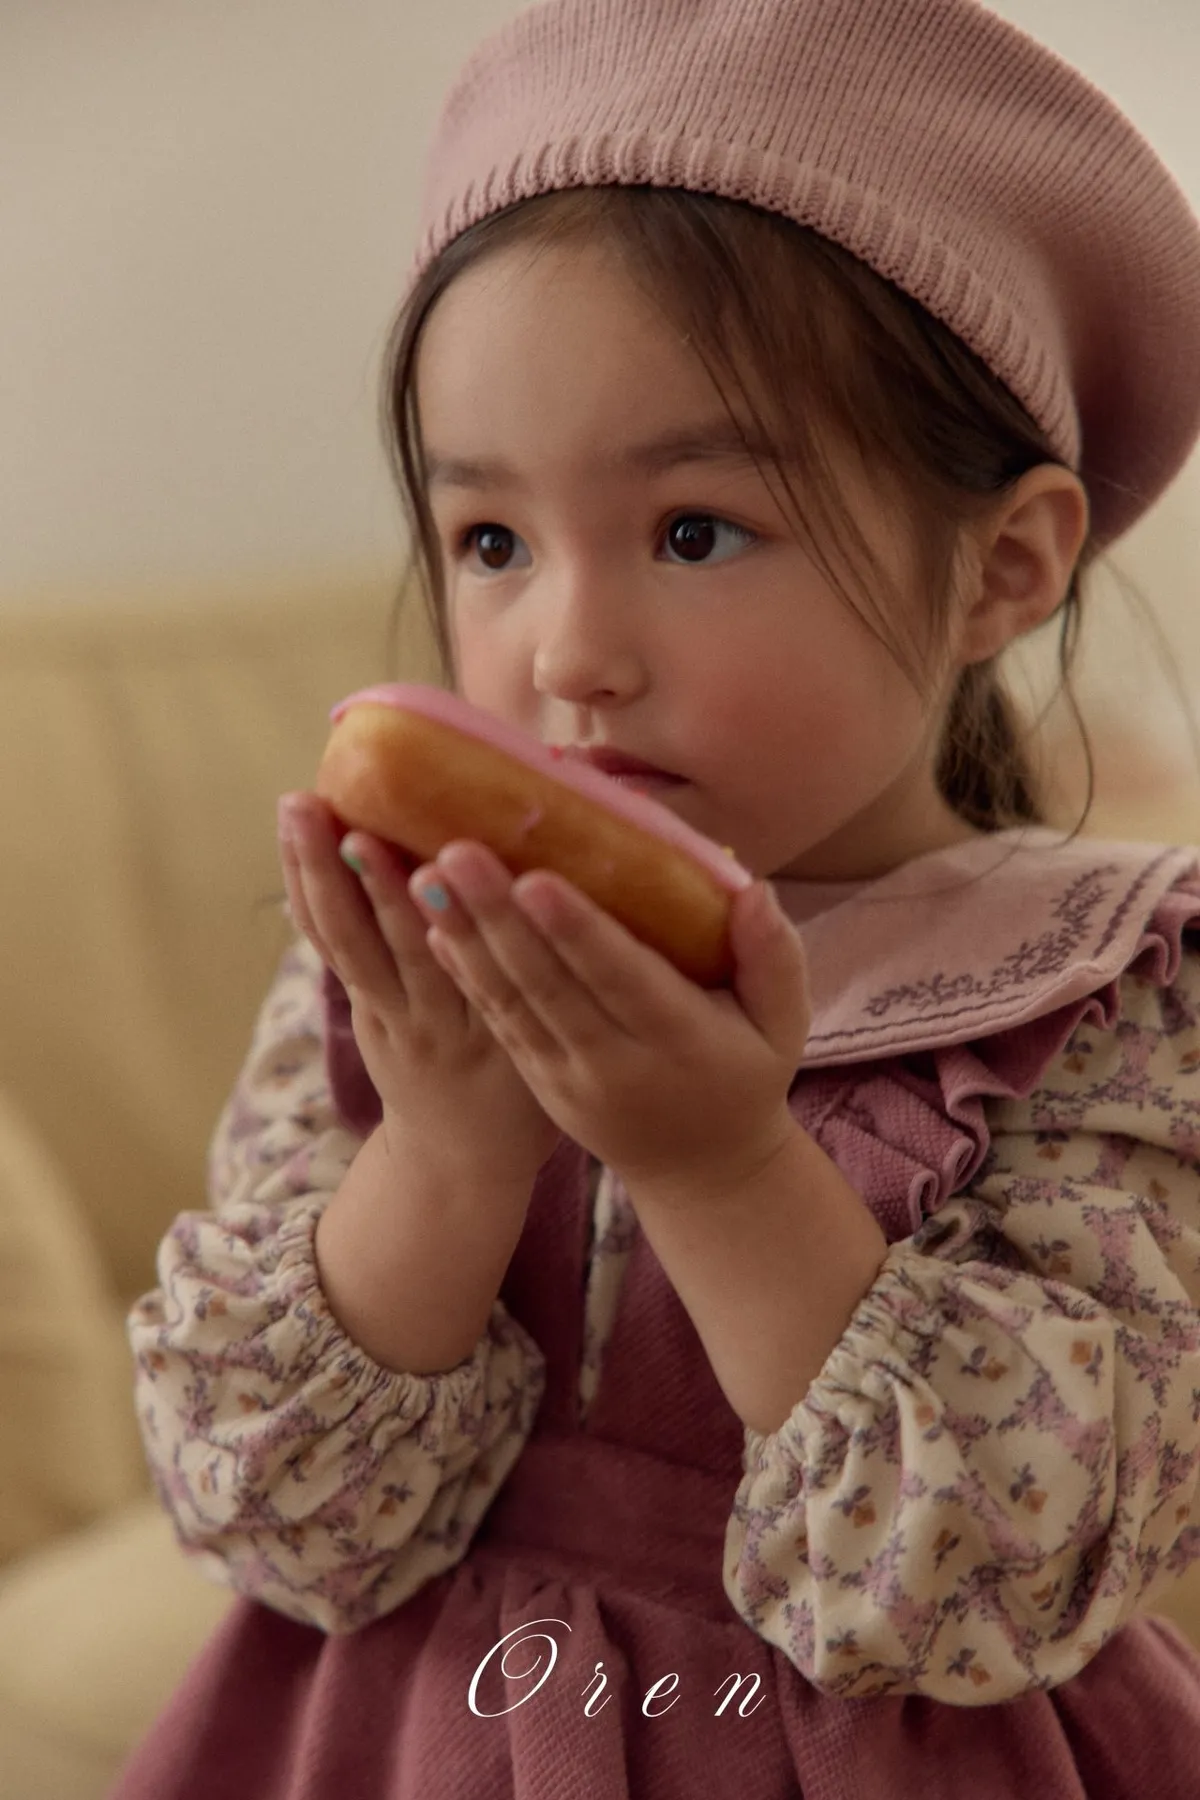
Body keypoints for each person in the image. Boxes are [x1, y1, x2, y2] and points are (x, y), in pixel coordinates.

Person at [107, 1, 1200, 1795]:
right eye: (492, 542)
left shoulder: (1115, 1000)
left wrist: (723, 1165)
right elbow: (268, 1514)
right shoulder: (407, 965)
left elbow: (1003, 1575)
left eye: (695, 531)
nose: (568, 652)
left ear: (1004, 567)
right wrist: (445, 1149)